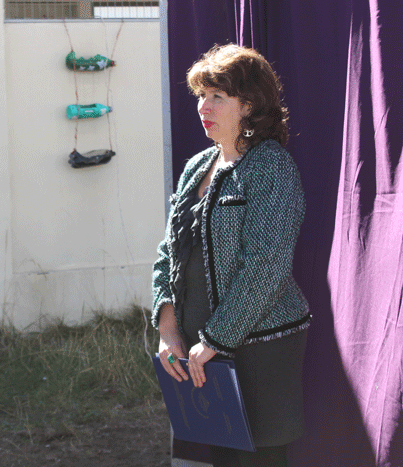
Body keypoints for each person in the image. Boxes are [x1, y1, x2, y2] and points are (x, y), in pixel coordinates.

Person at [152, 44, 311, 466]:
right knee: (223, 457)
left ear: (249, 104)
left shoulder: (271, 166)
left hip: (261, 350)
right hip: (202, 352)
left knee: (260, 459)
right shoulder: (197, 166)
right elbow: (168, 252)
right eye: (201, 95)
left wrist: (215, 340)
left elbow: (266, 266)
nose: (203, 106)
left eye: (217, 96)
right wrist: (168, 327)